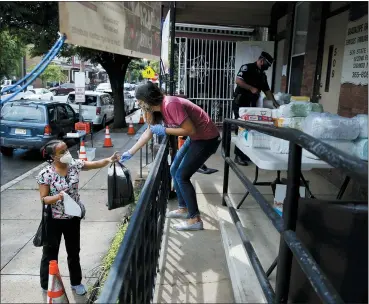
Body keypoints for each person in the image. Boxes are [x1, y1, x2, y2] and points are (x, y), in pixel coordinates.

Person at [119, 82, 220, 231]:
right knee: (174, 170)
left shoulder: (170, 104)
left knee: (181, 176)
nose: (139, 105)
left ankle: (195, 219)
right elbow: (149, 131)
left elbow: (189, 130)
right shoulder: (159, 110)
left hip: (206, 139)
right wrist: (130, 152)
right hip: (196, 138)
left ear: (148, 99)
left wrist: (165, 130)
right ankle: (184, 208)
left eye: (140, 101)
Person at [36, 140, 119, 294]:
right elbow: (44, 198)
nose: (67, 153)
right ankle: (46, 284)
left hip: (73, 217)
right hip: (54, 219)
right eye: (62, 152)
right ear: (53, 156)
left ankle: (76, 283)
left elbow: (93, 164)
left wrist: (108, 160)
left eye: (67, 149)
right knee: (50, 254)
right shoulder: (45, 174)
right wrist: (58, 197)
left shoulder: (73, 164)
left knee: (74, 252)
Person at [233, 51, 279, 166]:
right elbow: (238, 81)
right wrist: (251, 88)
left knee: (249, 128)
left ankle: (245, 153)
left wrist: (276, 105)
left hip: (251, 105)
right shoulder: (247, 68)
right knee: (241, 128)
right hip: (241, 103)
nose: (267, 68)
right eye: (267, 65)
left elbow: (267, 91)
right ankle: (238, 155)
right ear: (261, 60)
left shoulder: (262, 75)